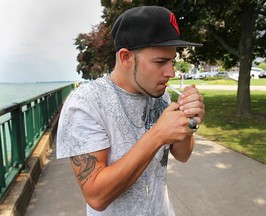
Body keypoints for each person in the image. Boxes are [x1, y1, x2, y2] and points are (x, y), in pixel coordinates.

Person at [56, 5, 205, 216]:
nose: (171, 72)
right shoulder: (86, 102)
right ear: (126, 57)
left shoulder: (160, 95)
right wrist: (157, 135)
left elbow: (182, 155)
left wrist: (189, 120)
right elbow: (96, 196)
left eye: (171, 61)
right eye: (160, 62)